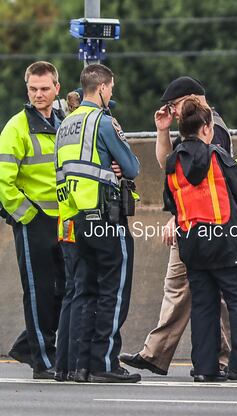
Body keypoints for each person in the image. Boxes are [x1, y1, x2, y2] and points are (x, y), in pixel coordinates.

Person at [163, 97, 237, 382]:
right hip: (228, 242)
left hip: (193, 244)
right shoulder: (220, 157)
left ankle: (205, 368)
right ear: (207, 128)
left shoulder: (172, 162)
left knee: (204, 306)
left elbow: (171, 202)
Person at [120, 76, 233, 376]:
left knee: (213, 294)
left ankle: (223, 358)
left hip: (205, 224)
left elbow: (202, 180)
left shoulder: (212, 129)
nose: (173, 112)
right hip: (191, 222)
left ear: (194, 98)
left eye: (175, 106)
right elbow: (170, 165)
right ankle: (156, 353)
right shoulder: (192, 126)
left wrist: (175, 216)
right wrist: (162, 131)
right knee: (178, 287)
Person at [55, 64, 141, 383]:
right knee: (113, 290)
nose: (112, 93)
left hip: (72, 218)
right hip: (104, 216)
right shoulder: (102, 122)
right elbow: (132, 167)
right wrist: (119, 166)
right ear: (103, 88)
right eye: (111, 88)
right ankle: (104, 362)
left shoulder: (66, 124)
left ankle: (78, 365)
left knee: (83, 291)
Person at [0, 61, 65, 379]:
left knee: (65, 289)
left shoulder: (66, 122)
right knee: (39, 290)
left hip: (65, 218)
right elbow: (2, 180)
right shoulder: (16, 127)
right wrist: (26, 216)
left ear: (57, 88)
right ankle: (42, 360)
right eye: (33, 89)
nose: (38, 94)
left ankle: (30, 346)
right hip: (34, 220)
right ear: (27, 90)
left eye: (44, 88)